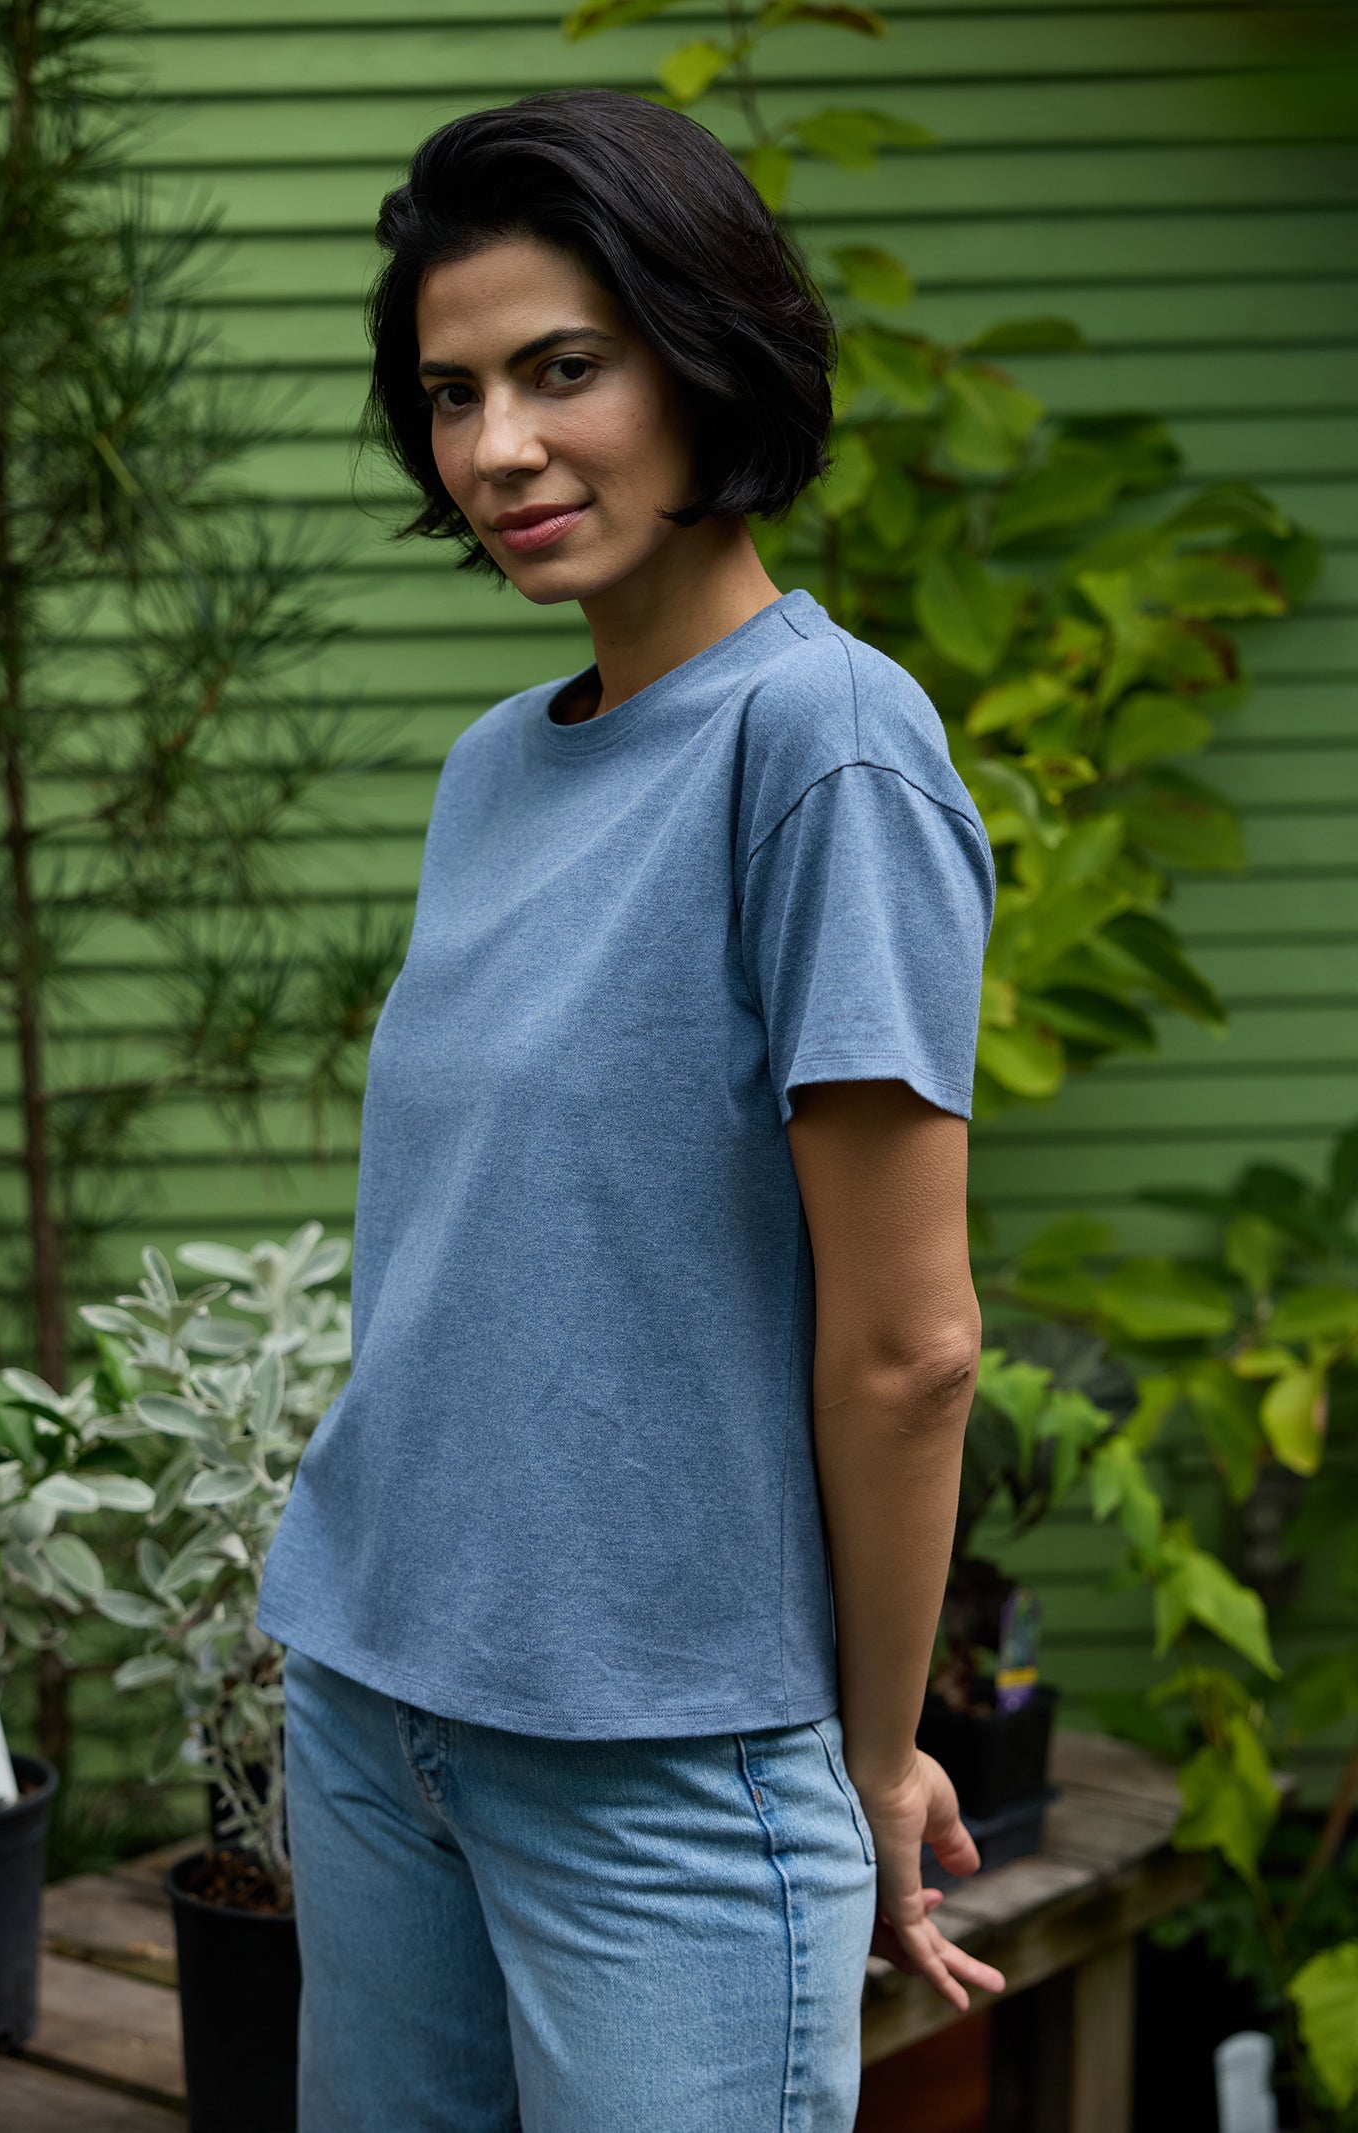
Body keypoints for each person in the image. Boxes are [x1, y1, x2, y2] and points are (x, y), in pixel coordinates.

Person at [255, 85, 1007, 2133]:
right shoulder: (497, 764)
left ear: (704, 351)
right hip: (377, 1702)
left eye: (559, 370)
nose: (494, 448)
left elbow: (905, 1339)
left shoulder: (827, 747)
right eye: (447, 391)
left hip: (663, 1762)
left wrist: (868, 1749)